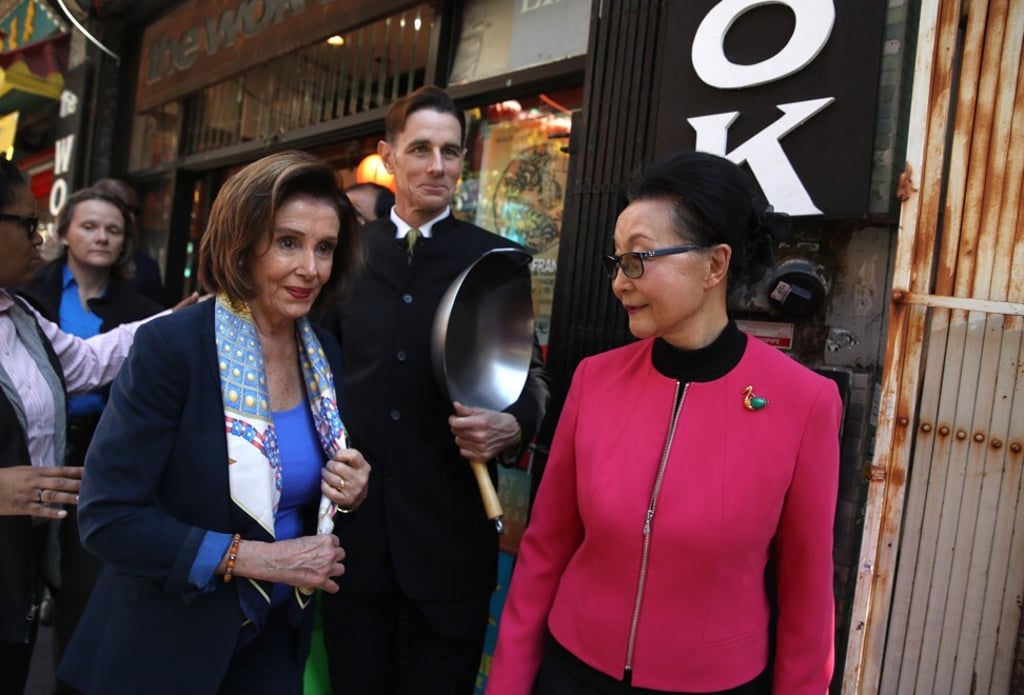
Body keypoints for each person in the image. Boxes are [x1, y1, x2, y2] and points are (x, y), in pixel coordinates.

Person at [487, 151, 842, 694]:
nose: (619, 283)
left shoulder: (804, 402)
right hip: (572, 671)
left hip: (714, 683)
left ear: (715, 266)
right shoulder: (593, 380)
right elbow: (544, 550)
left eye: (639, 259)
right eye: (617, 262)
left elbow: (807, 597)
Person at [57, 150, 371, 694]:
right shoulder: (174, 348)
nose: (311, 269)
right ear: (241, 244)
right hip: (165, 648)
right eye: (288, 242)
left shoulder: (324, 353)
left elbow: (298, 486)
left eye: (325, 248)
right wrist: (254, 559)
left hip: (273, 641)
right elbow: (107, 517)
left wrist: (349, 487)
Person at [318, 85, 549, 694]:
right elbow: (310, 374)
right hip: (351, 536)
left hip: (452, 540)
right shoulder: (342, 257)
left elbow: (532, 381)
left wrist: (516, 425)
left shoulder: (497, 259)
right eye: (420, 149)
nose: (437, 166)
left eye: (450, 152)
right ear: (388, 156)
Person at [0, 159, 184, 694]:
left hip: (19, 560)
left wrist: (182, 320)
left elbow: (86, 363)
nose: (39, 241)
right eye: (27, 224)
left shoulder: (19, 315)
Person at [92, 177, 165, 305]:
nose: (131, 217)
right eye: (124, 208)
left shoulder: (147, 268)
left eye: (135, 212)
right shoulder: (56, 272)